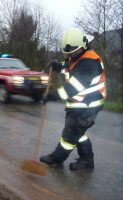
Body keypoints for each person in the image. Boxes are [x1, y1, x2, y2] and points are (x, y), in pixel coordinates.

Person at [40, 27, 106, 170]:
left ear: (83, 45)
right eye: (69, 53)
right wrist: (57, 66)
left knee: (70, 133)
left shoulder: (90, 63)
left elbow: (72, 89)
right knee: (78, 132)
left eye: (74, 51)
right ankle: (87, 159)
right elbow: (68, 67)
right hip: (77, 103)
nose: (72, 54)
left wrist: (51, 96)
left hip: (89, 106)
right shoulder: (75, 56)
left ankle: (57, 158)